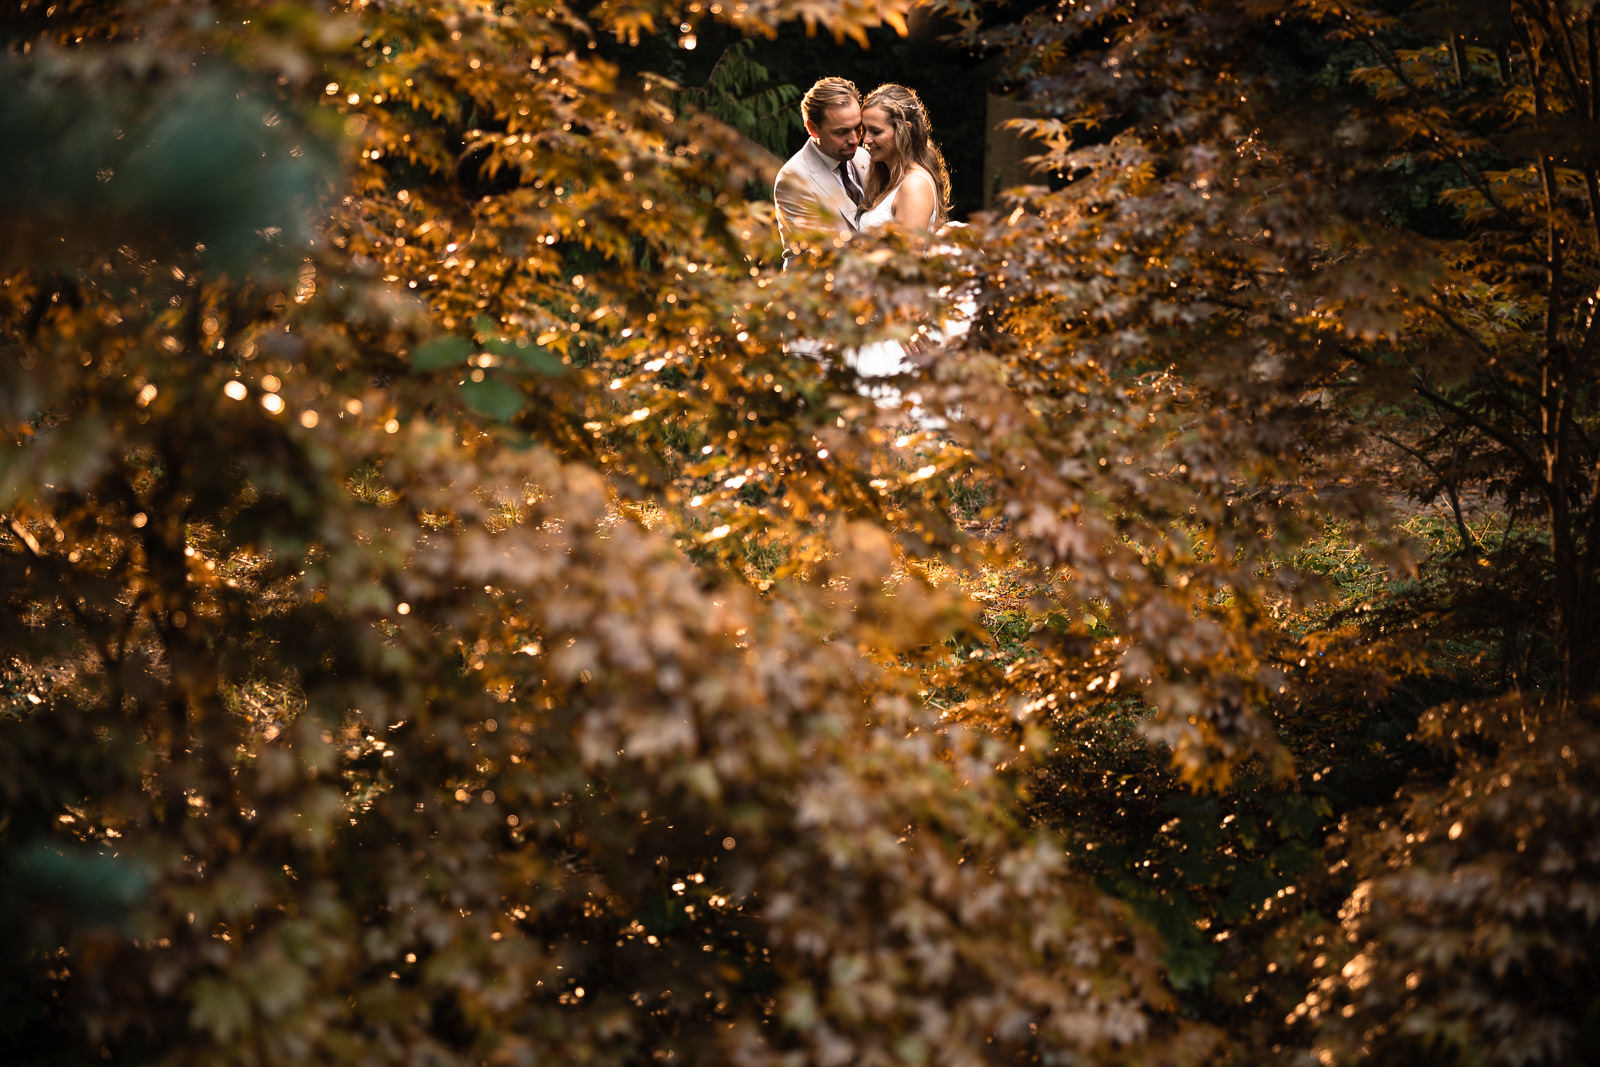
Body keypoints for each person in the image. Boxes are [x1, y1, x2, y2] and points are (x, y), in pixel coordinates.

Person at [847, 83, 954, 387]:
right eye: (862, 130)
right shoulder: (888, 181)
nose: (865, 140)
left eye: (875, 131)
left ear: (905, 129)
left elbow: (906, 266)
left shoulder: (915, 185)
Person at [772, 77, 871, 271]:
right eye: (841, 132)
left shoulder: (863, 157)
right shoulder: (793, 179)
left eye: (857, 127)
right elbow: (824, 256)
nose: (854, 140)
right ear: (812, 128)